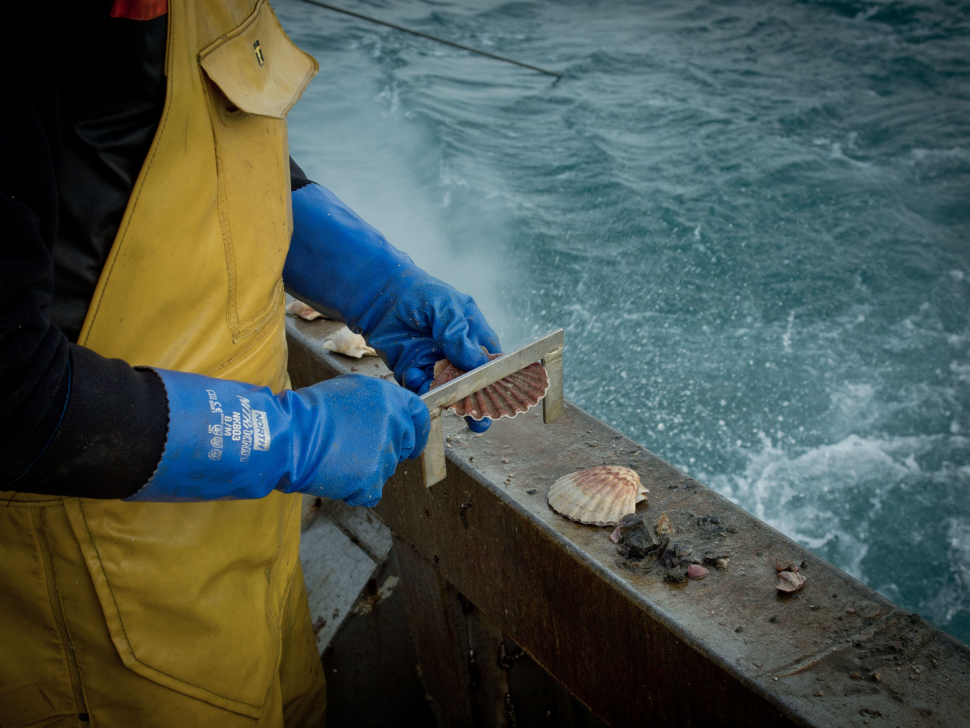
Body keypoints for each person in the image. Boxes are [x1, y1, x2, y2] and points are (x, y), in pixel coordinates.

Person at [0, 0, 499, 725]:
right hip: (101, 610)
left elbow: (184, 149)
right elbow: (11, 392)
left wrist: (374, 282)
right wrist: (291, 439)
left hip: (251, 553)